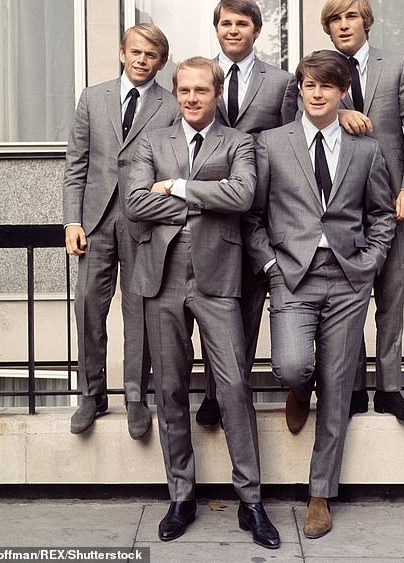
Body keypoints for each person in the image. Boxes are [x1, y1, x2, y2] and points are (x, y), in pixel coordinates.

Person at [123, 57, 280, 549]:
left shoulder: (238, 142)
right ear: (176, 94)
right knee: (169, 388)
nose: (192, 98)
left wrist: (180, 186)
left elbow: (243, 195)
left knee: (234, 386)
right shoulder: (153, 141)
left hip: (219, 278)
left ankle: (251, 501)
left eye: (201, 90)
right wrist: (204, 198)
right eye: (184, 91)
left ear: (217, 93)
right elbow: (134, 204)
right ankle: (181, 496)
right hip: (163, 277)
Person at [243, 50, 396, 538]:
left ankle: (319, 494)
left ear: (342, 91)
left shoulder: (365, 149)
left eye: (327, 86)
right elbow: (252, 216)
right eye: (309, 84)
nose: (316, 93)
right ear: (301, 88)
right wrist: (270, 264)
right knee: (290, 363)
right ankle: (295, 386)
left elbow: (382, 214)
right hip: (292, 274)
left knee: (337, 390)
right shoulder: (271, 143)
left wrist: (370, 263)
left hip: (348, 278)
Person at [63, 24, 179, 438]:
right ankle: (91, 395)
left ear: (161, 62)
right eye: (135, 51)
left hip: (143, 222)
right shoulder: (93, 98)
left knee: (139, 312)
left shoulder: (171, 105)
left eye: (150, 54)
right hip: (95, 222)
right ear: (121, 52)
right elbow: (76, 163)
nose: (141, 60)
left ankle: (135, 398)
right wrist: (72, 221)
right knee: (89, 307)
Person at [321, 0, 404, 423]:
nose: (344, 25)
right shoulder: (318, 69)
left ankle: (389, 388)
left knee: (390, 295)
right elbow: (303, 116)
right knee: (347, 297)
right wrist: (339, 115)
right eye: (335, 20)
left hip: (390, 203)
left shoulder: (397, 64)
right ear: (327, 29)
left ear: (367, 21)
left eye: (351, 17)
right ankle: (351, 388)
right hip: (342, 203)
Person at [196, 0, 299, 428]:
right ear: (216, 29)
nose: (233, 30)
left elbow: (295, 138)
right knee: (212, 302)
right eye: (225, 24)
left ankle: (235, 391)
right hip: (212, 207)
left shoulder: (279, 82)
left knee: (251, 303)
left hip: (259, 209)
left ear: (256, 30)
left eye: (242, 23)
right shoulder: (200, 78)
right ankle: (214, 392)